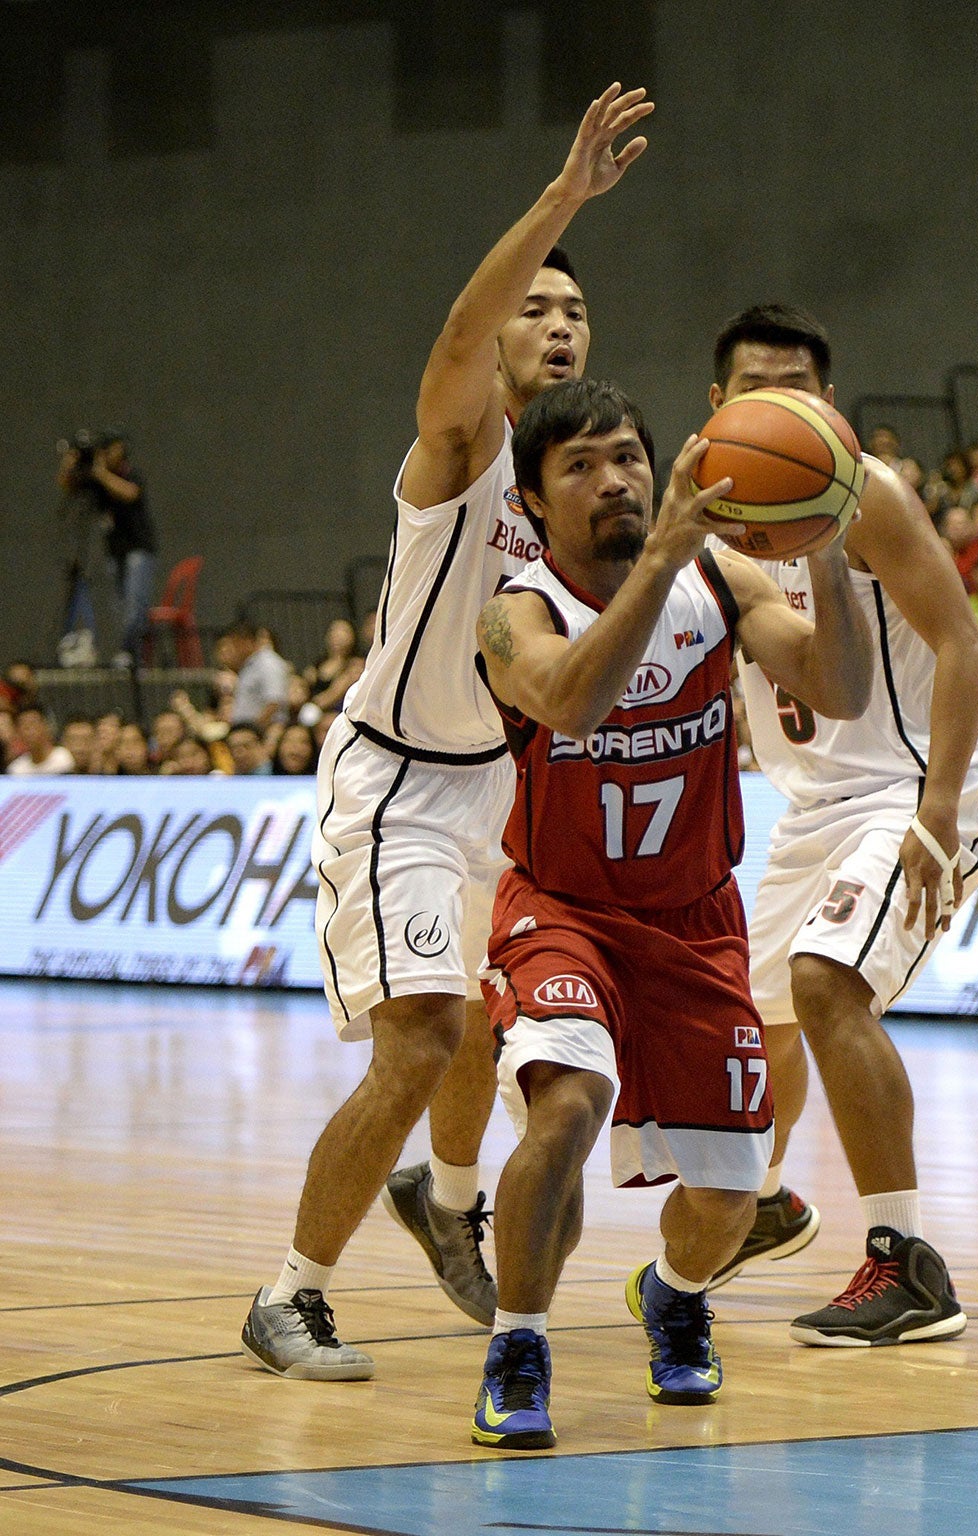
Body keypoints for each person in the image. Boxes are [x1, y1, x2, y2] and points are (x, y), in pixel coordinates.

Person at [241, 84, 655, 1381]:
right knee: (421, 1036)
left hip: (500, 793)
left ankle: (446, 1195)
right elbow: (465, 326)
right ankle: (291, 1294)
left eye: (574, 310)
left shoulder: (576, 481)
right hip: (399, 781)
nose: (555, 321)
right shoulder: (466, 444)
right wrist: (562, 203)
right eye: (539, 304)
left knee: (486, 1025)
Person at [465, 381, 869, 1449]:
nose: (615, 481)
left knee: (730, 1200)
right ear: (534, 500)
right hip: (561, 911)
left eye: (628, 458)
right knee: (568, 1102)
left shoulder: (719, 575)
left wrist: (821, 546)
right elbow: (572, 702)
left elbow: (839, 687)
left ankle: (675, 1293)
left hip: (695, 920)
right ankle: (518, 1341)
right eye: (582, 467)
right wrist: (656, 562)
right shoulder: (515, 611)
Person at [713, 305, 978, 1346]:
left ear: (828, 403)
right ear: (719, 407)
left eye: (800, 386)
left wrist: (936, 815)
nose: (781, 404)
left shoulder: (866, 495)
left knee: (825, 982)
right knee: (753, 1017)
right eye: (759, 388)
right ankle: (760, 1201)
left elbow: (964, 647)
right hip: (815, 802)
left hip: (918, 780)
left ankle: (905, 1262)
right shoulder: (705, 517)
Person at [56, 430, 156, 667]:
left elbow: (130, 493)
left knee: (135, 602)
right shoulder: (98, 481)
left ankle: (131, 653)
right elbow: (67, 485)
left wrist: (100, 473)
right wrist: (69, 464)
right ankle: (126, 652)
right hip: (116, 552)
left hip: (138, 548)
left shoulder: (130, 474)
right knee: (120, 606)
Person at [6, 706, 73, 775]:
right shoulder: (17, 769)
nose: (29, 733)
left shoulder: (65, 758)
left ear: (46, 727)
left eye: (33, 724)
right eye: (25, 727)